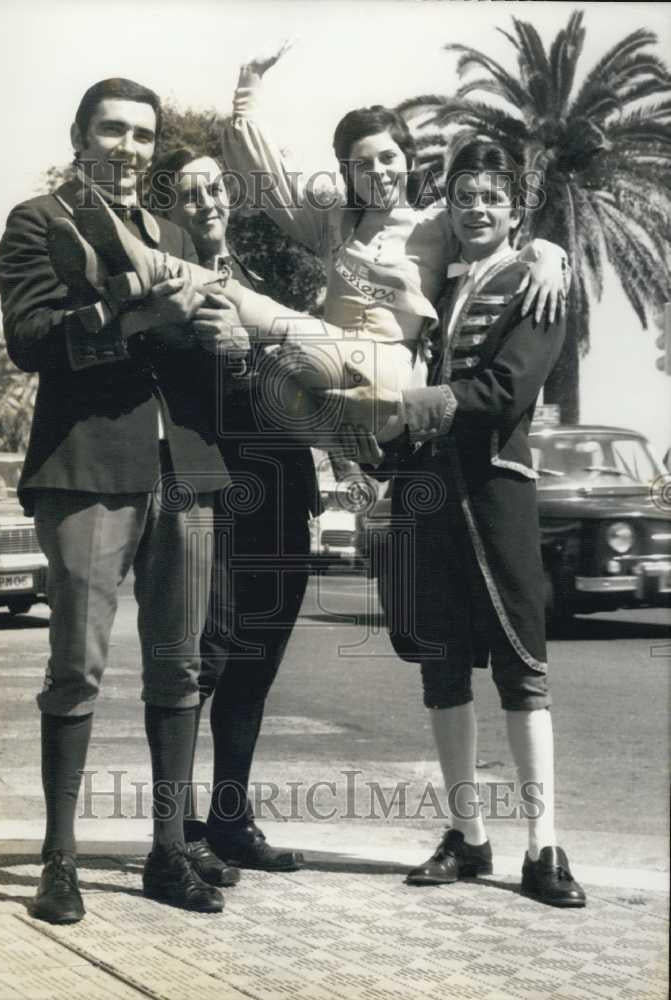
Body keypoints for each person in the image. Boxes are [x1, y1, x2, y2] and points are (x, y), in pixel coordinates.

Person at [47, 44, 568, 447]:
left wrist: (549, 255)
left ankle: (148, 265)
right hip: (329, 359)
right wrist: (249, 85)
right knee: (271, 358)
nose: (377, 172)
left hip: (391, 366)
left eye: (387, 158)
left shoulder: (439, 223)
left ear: (407, 158)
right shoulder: (332, 224)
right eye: (361, 164)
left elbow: (496, 241)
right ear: (347, 171)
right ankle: (140, 261)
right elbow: (264, 172)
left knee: (277, 343)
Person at [0, 77, 238, 923]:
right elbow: (30, 340)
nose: (128, 148)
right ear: (79, 135)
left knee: (178, 669)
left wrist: (225, 338)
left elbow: (203, 357)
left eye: (142, 135)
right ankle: (57, 862)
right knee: (77, 669)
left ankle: (168, 853)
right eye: (112, 131)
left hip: (187, 472)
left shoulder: (176, 236)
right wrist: (133, 318)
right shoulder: (39, 222)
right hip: (88, 468)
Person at [321, 140, 586, 908]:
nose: (475, 208)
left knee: (519, 666)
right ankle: (466, 837)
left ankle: (544, 848)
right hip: (424, 493)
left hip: (494, 491)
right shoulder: (437, 279)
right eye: (463, 195)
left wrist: (406, 411)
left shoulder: (535, 282)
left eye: (492, 198)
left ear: (514, 210)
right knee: (440, 668)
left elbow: (506, 390)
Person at [150, 147, 319, 876]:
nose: (207, 202)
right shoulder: (167, 289)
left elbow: (318, 369)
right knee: (205, 659)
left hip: (283, 488)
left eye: (215, 188)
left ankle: (230, 819)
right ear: (169, 211)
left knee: (256, 661)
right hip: (211, 492)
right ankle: (177, 830)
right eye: (189, 195)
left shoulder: (267, 279)